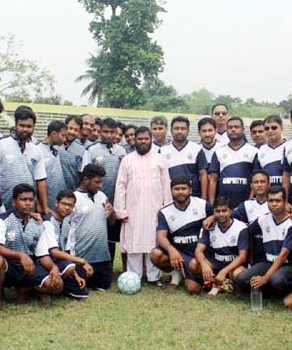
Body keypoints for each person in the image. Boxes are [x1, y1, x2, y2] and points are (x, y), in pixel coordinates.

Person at [0, 184, 64, 313]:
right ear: (14, 202)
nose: (28, 203)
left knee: (57, 285)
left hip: (29, 266)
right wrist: (20, 255)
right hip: (8, 266)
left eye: (31, 200)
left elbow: (42, 254)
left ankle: (26, 289)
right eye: (23, 200)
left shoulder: (39, 224)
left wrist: (53, 267)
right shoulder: (2, 220)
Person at [115, 126, 172, 283]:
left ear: (151, 139)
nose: (143, 142)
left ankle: (154, 277)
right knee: (134, 244)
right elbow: (120, 185)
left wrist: (167, 210)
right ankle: (134, 276)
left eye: (146, 139)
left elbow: (166, 185)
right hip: (133, 210)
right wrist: (120, 210)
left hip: (155, 209)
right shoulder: (127, 160)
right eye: (140, 139)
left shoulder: (160, 160)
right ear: (135, 140)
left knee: (153, 242)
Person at [236, 186, 292, 299]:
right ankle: (267, 293)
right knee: (242, 278)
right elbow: (246, 230)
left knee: (276, 279)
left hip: (288, 264)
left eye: (277, 201)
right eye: (271, 201)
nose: (274, 204)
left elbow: (283, 255)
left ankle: (288, 293)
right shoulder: (263, 220)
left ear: (284, 202)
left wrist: (265, 278)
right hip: (269, 263)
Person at [151, 176, 213, 291]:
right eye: (176, 189)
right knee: (156, 254)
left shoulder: (203, 205)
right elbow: (161, 236)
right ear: (171, 191)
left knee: (193, 289)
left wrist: (213, 217)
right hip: (178, 252)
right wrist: (171, 249)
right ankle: (176, 273)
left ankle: (197, 277)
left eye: (183, 189)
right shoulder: (164, 211)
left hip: (198, 253)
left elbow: (221, 216)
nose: (180, 192)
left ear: (190, 190)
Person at [0, 106, 49, 214]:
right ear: (15, 125)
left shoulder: (37, 150)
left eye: (29, 126)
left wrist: (44, 206)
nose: (25, 129)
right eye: (22, 125)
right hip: (2, 205)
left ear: (34, 127)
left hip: (27, 207)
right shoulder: (0, 144)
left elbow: (40, 180)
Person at [82, 117, 127, 265]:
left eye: (112, 132)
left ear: (117, 133)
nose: (109, 135)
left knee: (116, 236)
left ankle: (120, 268)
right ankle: (96, 264)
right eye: (105, 131)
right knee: (99, 233)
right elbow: (85, 174)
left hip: (117, 200)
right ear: (100, 131)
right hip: (97, 199)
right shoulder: (91, 150)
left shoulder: (122, 151)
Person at [69, 165, 116, 291]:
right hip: (81, 258)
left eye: (101, 182)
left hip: (102, 258)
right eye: (97, 182)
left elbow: (111, 222)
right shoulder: (73, 199)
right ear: (85, 179)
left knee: (104, 286)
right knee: (79, 286)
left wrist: (112, 212)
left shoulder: (102, 196)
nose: (100, 185)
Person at [190, 196, 249, 295]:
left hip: (234, 264)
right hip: (217, 262)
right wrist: (204, 265)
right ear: (213, 212)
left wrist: (224, 271)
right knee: (193, 264)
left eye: (224, 211)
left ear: (230, 211)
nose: (221, 214)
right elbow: (198, 250)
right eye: (217, 211)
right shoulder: (209, 226)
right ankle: (218, 284)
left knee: (237, 274)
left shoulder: (241, 228)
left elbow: (242, 257)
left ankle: (226, 284)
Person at [46, 190, 90, 299]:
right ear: (56, 203)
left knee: (82, 290)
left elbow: (66, 252)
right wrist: (82, 261)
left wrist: (76, 275)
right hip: (45, 262)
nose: (67, 208)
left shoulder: (67, 224)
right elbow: (55, 253)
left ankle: (63, 285)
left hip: (60, 263)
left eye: (70, 205)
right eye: (64, 204)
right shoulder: (48, 222)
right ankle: (48, 289)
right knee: (72, 266)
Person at [208, 116, 256, 208]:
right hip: (223, 205)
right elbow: (213, 180)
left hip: (245, 204)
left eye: (236, 127)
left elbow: (255, 180)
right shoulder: (219, 152)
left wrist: (250, 202)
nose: (233, 130)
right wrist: (211, 204)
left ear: (243, 129)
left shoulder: (253, 151)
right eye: (230, 127)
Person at [160, 116, 204, 198]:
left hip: (193, 197)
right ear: (171, 131)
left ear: (188, 131)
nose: (179, 131)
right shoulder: (163, 151)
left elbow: (203, 175)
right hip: (170, 197)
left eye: (183, 129)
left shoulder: (197, 149)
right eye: (176, 128)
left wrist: (204, 198)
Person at [38, 120, 68, 213]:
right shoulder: (38, 150)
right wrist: (41, 204)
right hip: (46, 204)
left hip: (56, 200)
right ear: (54, 134)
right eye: (63, 136)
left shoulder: (55, 151)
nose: (65, 139)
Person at [252, 114, 286, 190]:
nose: (270, 131)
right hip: (268, 195)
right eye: (267, 128)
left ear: (281, 128)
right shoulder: (261, 150)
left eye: (274, 128)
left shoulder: (289, 147)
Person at [195, 117, 221, 202]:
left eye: (210, 130)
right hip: (200, 193)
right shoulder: (195, 150)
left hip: (220, 192)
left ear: (215, 130)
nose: (207, 134)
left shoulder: (223, 149)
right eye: (204, 131)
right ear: (199, 133)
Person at [60, 115, 86, 191]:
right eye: (70, 128)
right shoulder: (56, 145)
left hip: (72, 191)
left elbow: (82, 174)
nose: (72, 132)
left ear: (79, 132)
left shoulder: (82, 150)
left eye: (76, 130)